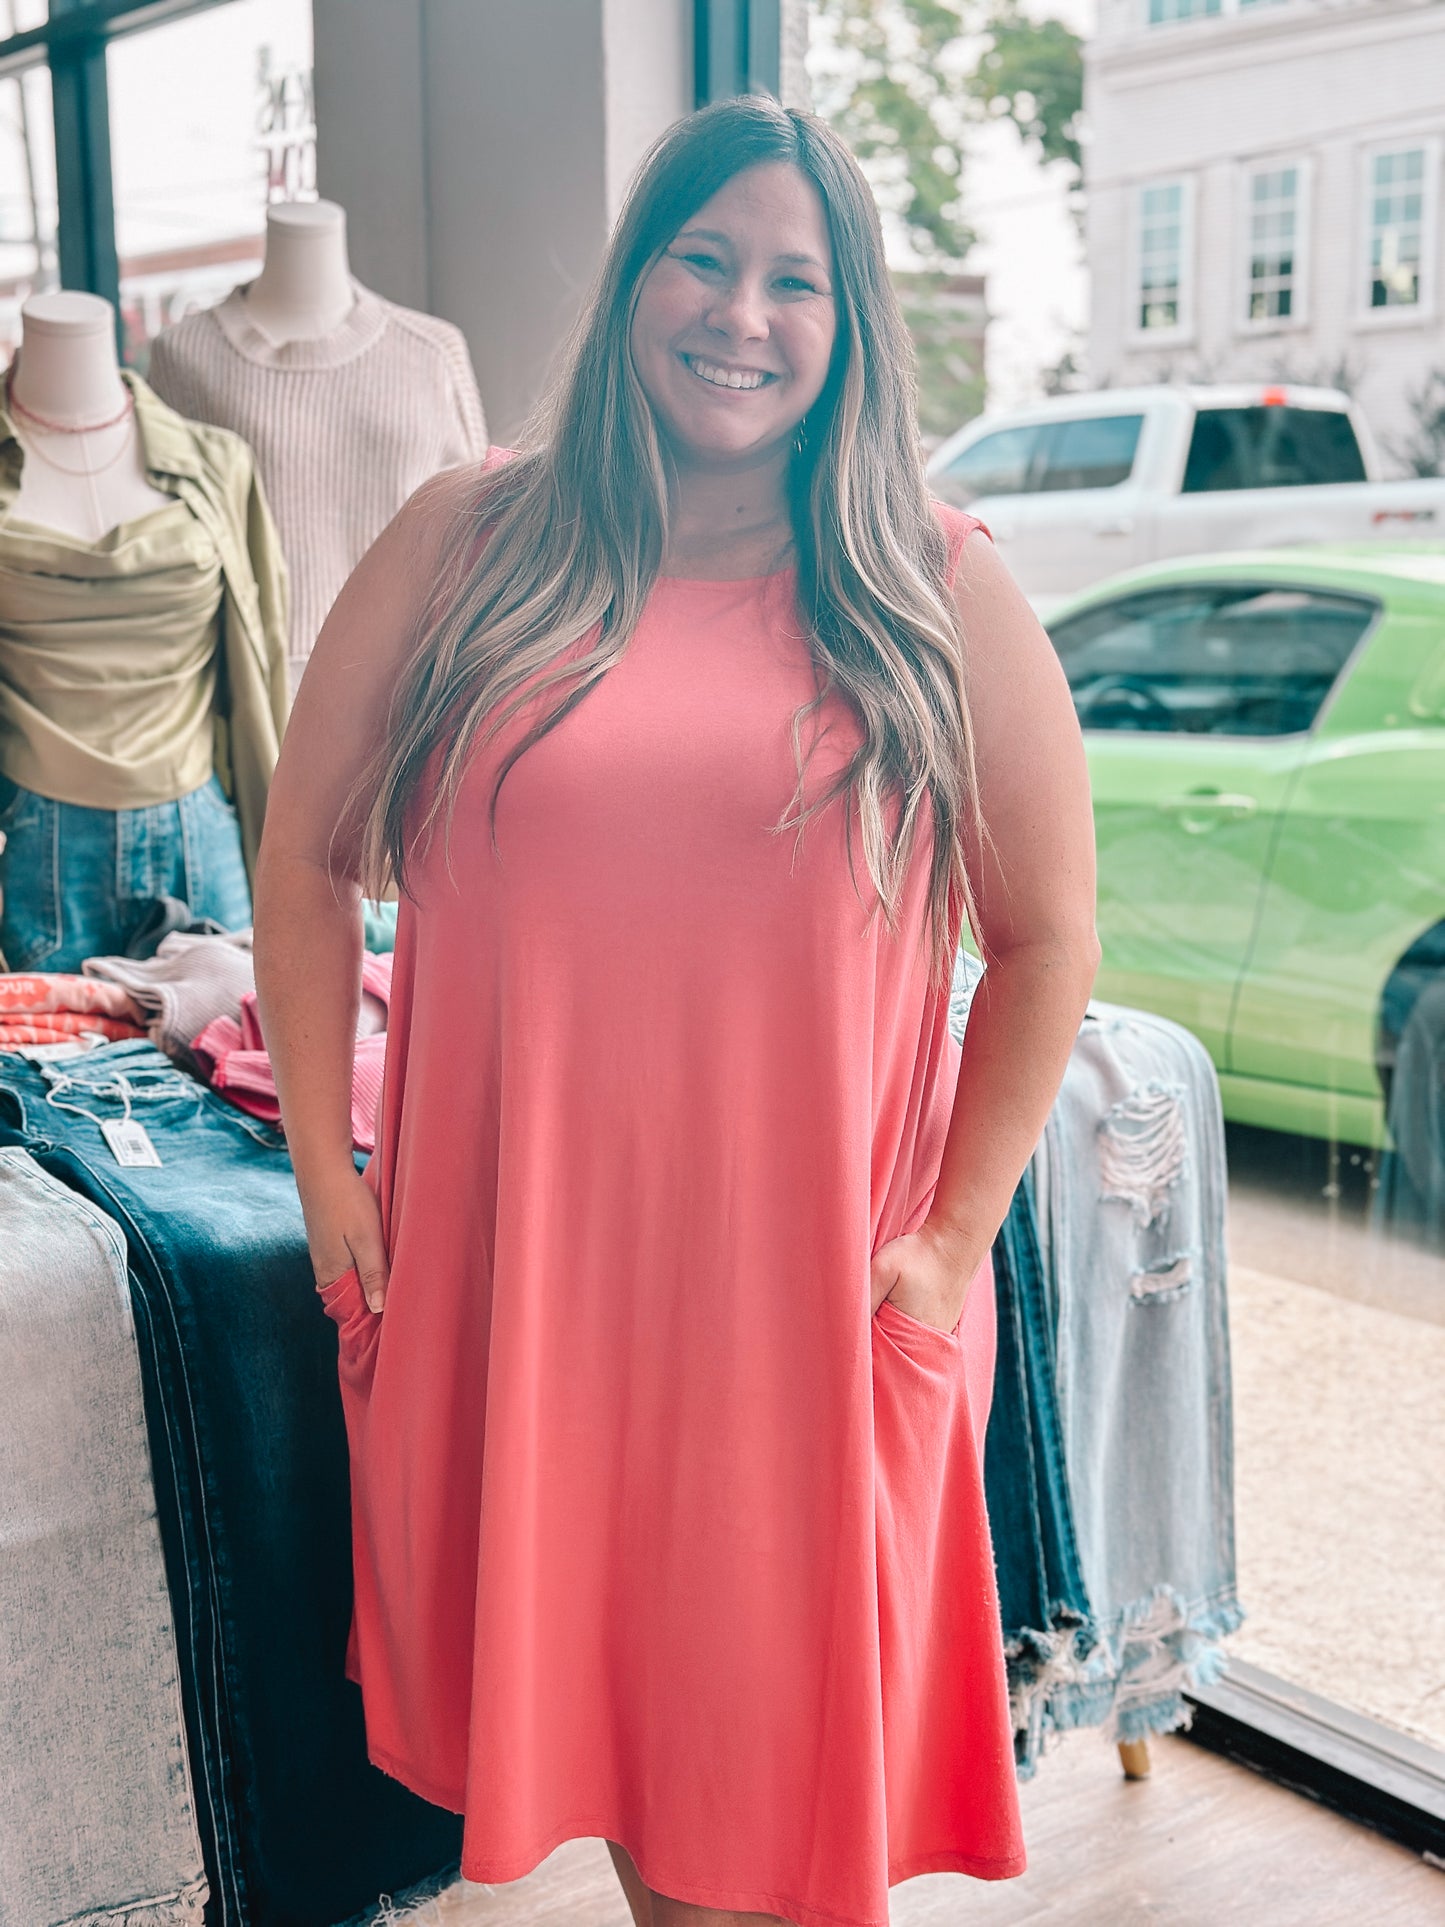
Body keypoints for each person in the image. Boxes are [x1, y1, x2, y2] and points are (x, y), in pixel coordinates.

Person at [253, 96, 1098, 1927]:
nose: (742, 314)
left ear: (849, 326)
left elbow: (1046, 947)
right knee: (641, 1795)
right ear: (637, 279)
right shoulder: (474, 538)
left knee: (757, 1837)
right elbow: (305, 859)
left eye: (796, 280)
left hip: (793, 1309)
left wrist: (950, 1240)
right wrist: (333, 1176)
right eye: (704, 260)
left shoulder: (931, 587)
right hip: (523, 1282)